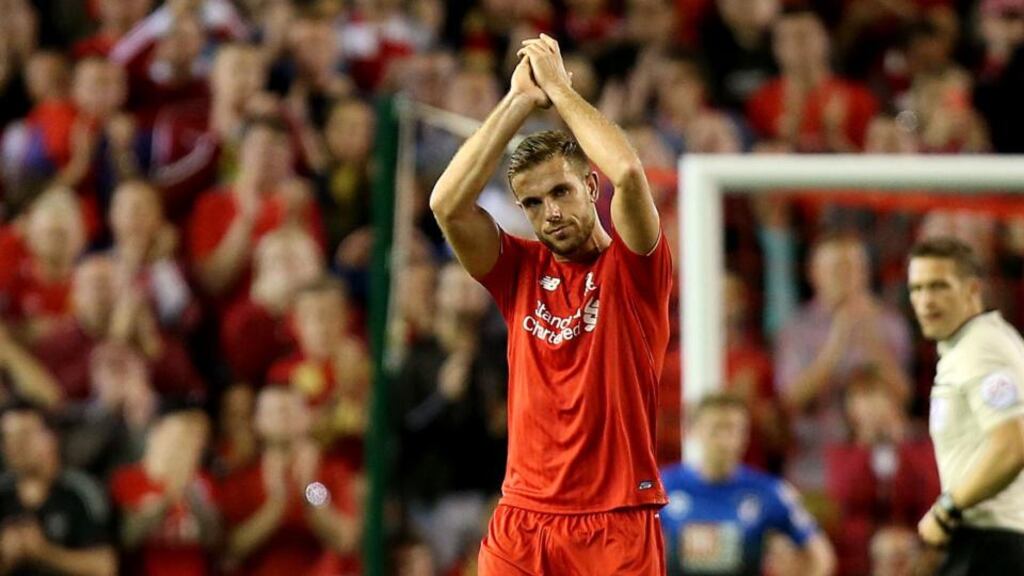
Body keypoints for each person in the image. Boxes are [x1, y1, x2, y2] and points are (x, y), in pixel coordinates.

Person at [430, 34, 672, 573]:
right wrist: (516, 102)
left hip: (618, 521)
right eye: (533, 203)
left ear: (590, 186)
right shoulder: (518, 270)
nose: (550, 213)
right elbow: (446, 205)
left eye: (561, 192)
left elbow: (629, 174)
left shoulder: (634, 269)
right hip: (523, 518)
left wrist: (560, 92)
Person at [906, 236, 1024, 574]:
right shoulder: (971, 346)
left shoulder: (980, 349)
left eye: (939, 286)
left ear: (972, 289)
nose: (925, 301)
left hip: (994, 543)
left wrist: (947, 510)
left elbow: (1012, 446)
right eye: (917, 289)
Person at [659, 393, 835, 576]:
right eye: (717, 428)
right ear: (693, 431)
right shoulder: (665, 486)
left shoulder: (770, 491)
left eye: (734, 429)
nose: (725, 439)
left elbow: (820, 554)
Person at [0, 403, 117, 576]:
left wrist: (44, 552)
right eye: (7, 438)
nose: (16, 446)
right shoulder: (3, 492)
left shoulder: (80, 490)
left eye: (25, 436)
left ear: (51, 437)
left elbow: (105, 567)